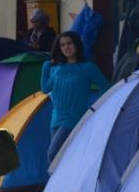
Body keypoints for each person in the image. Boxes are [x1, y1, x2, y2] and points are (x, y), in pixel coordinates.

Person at [40, 30, 110, 164]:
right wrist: (46, 66)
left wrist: (94, 107)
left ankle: (57, 184)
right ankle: (67, 184)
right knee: (64, 157)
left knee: (53, 154)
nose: (66, 47)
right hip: (56, 118)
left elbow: (106, 86)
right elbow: (45, 89)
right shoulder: (57, 68)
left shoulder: (87, 67)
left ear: (76, 45)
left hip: (73, 118)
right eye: (63, 45)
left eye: (69, 43)